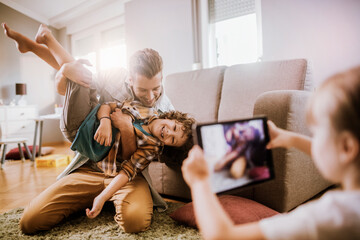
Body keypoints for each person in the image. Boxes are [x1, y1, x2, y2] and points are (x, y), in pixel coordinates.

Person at [2, 23, 192, 234]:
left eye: (156, 88)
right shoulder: (116, 79)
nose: (150, 97)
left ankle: (33, 44)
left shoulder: (165, 112)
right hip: (91, 165)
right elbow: (74, 87)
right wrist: (65, 72)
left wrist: (127, 129)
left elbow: (171, 143)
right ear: (130, 78)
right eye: (143, 89)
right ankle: (34, 44)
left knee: (136, 222)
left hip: (127, 176)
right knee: (29, 222)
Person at [181, 66, 360, 239]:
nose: (313, 138)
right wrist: (290, 138)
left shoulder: (330, 216)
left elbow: (222, 235)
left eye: (316, 133)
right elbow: (334, 152)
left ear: (347, 147)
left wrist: (200, 182)